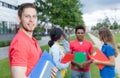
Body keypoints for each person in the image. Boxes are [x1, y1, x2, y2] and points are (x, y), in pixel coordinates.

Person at [9, 3, 57, 78]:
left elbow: (38, 68)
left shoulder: (32, 40)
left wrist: (48, 71)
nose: (31, 20)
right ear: (19, 19)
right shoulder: (20, 43)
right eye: (27, 16)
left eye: (34, 16)